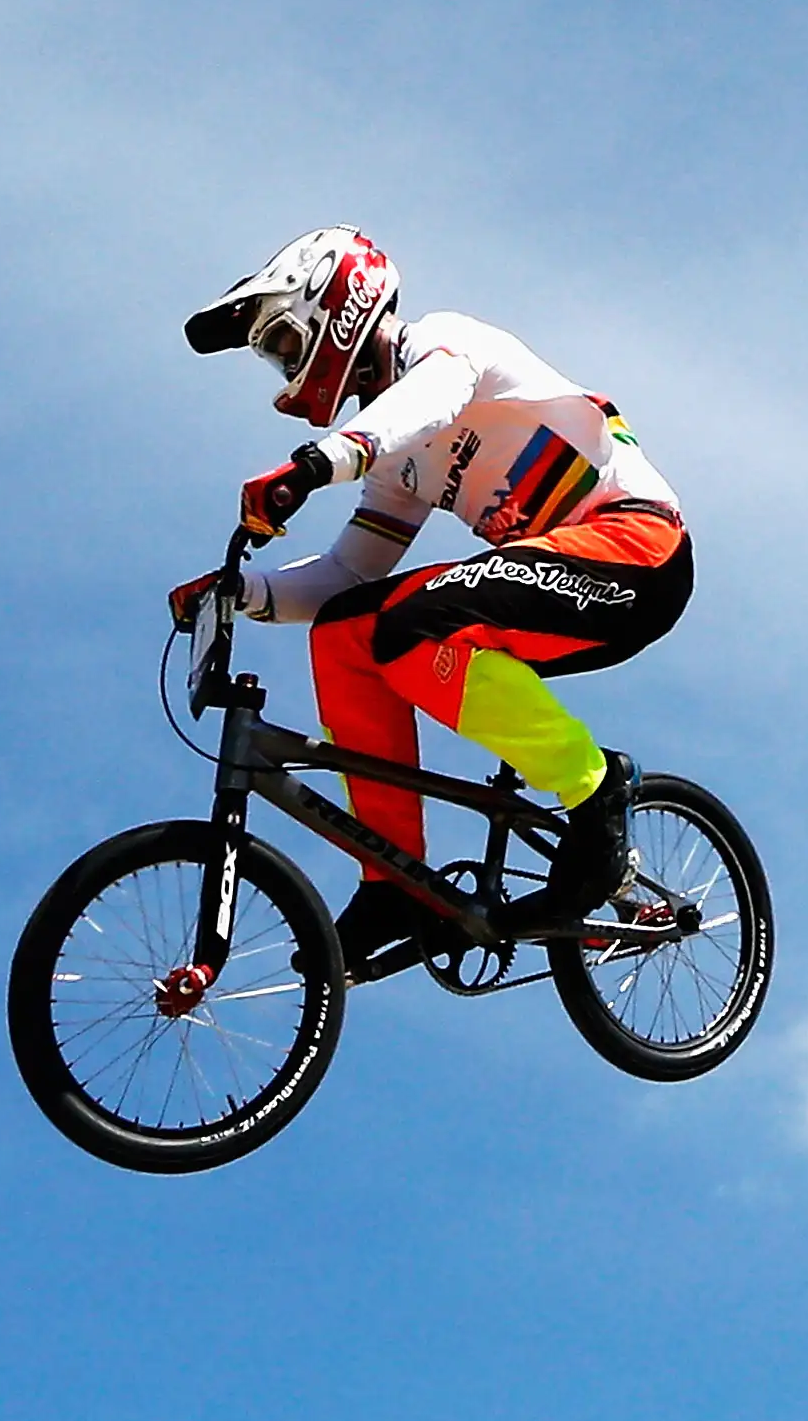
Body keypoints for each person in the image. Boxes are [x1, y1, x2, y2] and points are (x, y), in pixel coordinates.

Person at [170, 228, 690, 976]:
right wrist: (242, 592)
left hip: (638, 552)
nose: (286, 368)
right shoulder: (398, 465)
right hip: (549, 586)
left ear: (338, 313)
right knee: (346, 633)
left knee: (413, 624)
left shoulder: (444, 345)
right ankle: (393, 881)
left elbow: (430, 400)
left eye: (286, 342)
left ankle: (595, 784)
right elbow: (349, 575)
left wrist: (319, 464)